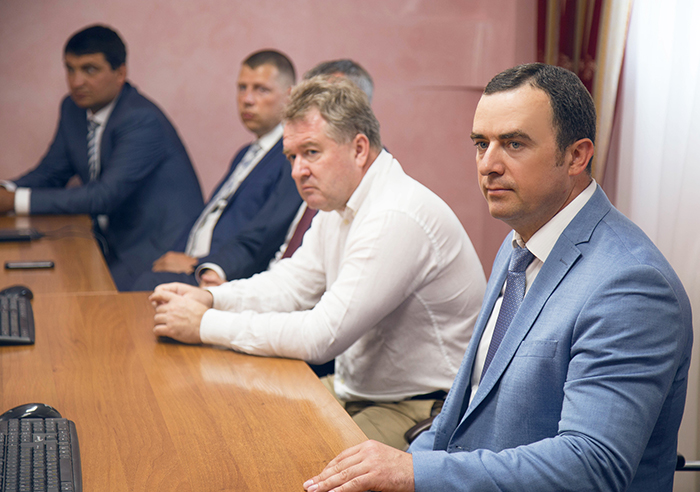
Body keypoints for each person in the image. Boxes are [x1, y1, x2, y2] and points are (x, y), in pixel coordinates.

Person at [301, 63, 693, 492]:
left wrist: (414, 473)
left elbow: (591, 466)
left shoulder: (631, 284)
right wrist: (403, 463)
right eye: (480, 144)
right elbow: (463, 410)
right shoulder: (519, 244)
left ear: (577, 156)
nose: (488, 164)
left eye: (514, 144)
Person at [149, 76, 486, 449]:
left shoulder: (394, 215)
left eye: (311, 152)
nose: (297, 170)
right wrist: (212, 298)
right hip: (357, 390)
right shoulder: (340, 201)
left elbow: (320, 336)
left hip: (422, 409)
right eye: (292, 156)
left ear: (359, 149)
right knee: (233, 418)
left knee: (285, 457)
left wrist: (203, 324)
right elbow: (292, 285)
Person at [0, 25, 204, 291]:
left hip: (154, 250)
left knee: (84, 299)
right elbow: (51, 172)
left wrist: (14, 201)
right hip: (107, 239)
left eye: (89, 70)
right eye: (70, 69)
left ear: (120, 73)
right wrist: (7, 189)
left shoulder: (141, 119)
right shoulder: (72, 109)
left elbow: (104, 196)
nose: (76, 82)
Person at [196, 57, 375, 289]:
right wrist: (221, 295)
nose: (296, 171)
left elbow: (334, 308)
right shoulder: (320, 183)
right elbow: (293, 281)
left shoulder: (379, 203)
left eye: (329, 104)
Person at [130, 50, 302, 291]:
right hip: (195, 261)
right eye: (242, 88)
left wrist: (199, 265)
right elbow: (210, 217)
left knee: (141, 287)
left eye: (261, 90)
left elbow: (266, 234)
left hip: (223, 276)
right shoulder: (246, 153)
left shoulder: (291, 156)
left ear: (290, 96)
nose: (247, 99)